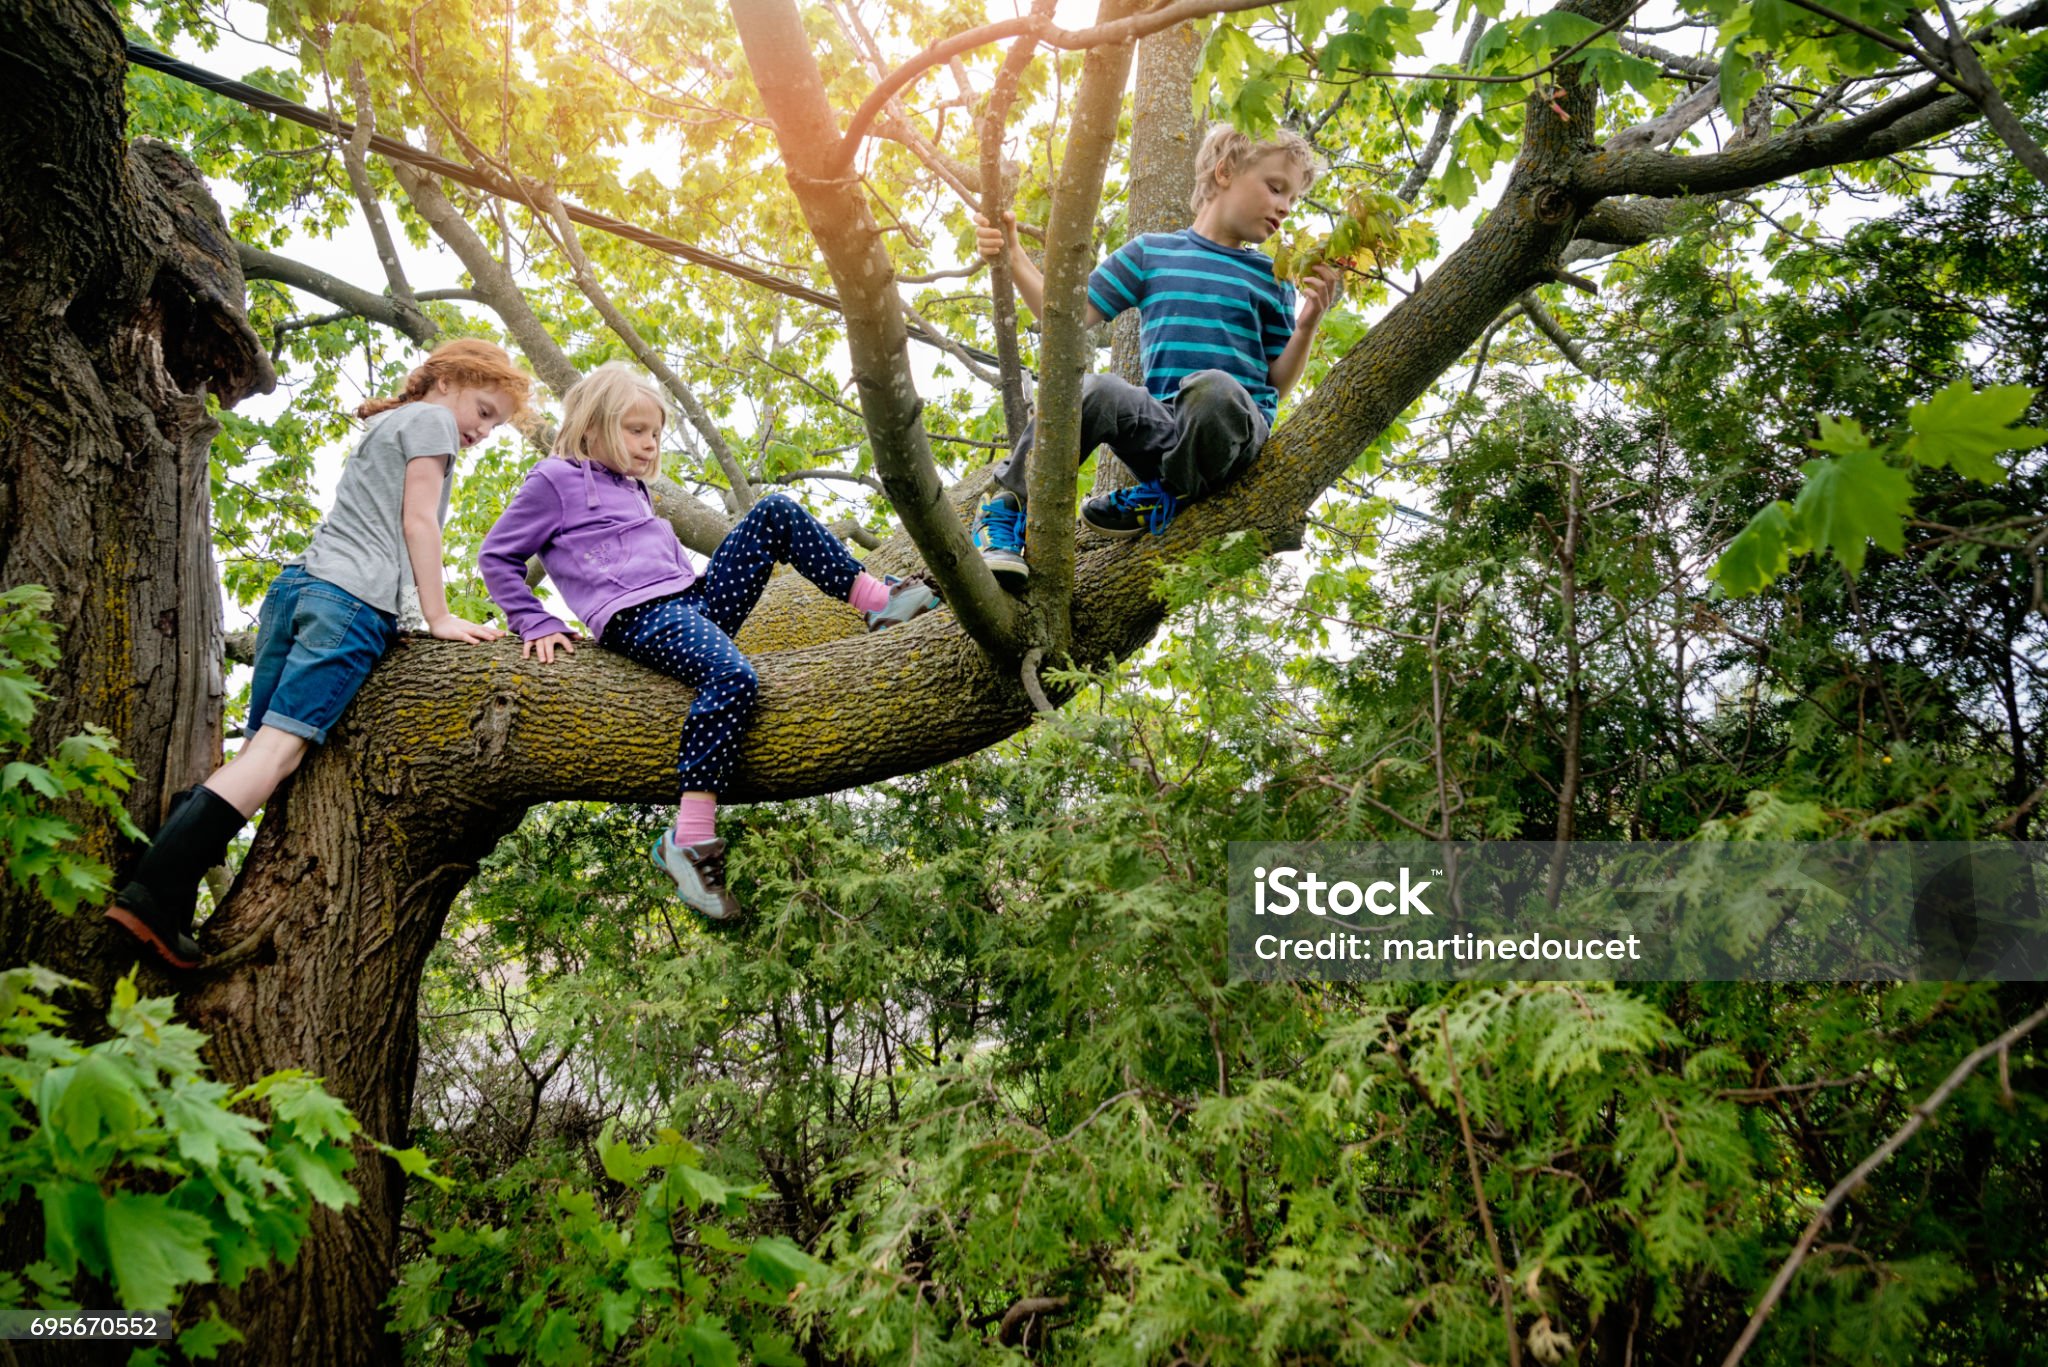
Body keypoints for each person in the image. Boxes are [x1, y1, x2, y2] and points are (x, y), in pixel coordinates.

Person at [108, 338, 532, 968]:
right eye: (485, 410)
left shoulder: (389, 422)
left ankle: (164, 874)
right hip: (349, 603)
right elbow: (420, 522)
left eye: (495, 423)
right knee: (278, 756)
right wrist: (437, 617)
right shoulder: (434, 422)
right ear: (448, 382)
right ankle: (154, 894)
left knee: (255, 755)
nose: (484, 430)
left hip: (298, 589)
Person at [478, 363, 942, 921]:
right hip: (638, 617)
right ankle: (690, 840)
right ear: (593, 425)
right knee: (734, 676)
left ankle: (877, 602)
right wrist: (535, 620)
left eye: (655, 434)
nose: (650, 444)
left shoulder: (633, 489)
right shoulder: (553, 480)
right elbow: (497, 556)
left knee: (774, 511)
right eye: (636, 430)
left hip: (690, 602)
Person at [970, 123, 1344, 587]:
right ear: (1225, 172)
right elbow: (1066, 317)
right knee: (1096, 388)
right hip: (1165, 434)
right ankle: (1005, 510)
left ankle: (1164, 494)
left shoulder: (1270, 276)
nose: (1285, 207)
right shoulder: (1152, 254)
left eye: (1292, 199)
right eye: (1275, 188)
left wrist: (1307, 325)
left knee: (1215, 390)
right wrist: (1013, 258)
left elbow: (1276, 381)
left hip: (1232, 437)